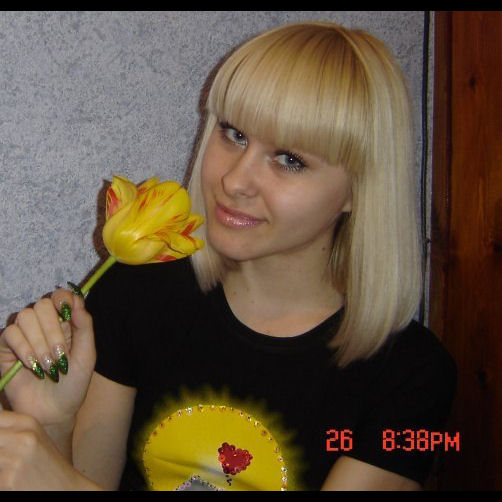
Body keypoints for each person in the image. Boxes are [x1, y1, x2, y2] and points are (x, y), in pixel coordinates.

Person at [0, 21, 456, 491]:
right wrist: (53, 420)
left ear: (360, 189)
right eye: (234, 134)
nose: (234, 181)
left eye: (290, 159)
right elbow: (83, 477)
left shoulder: (415, 375)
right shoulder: (137, 290)